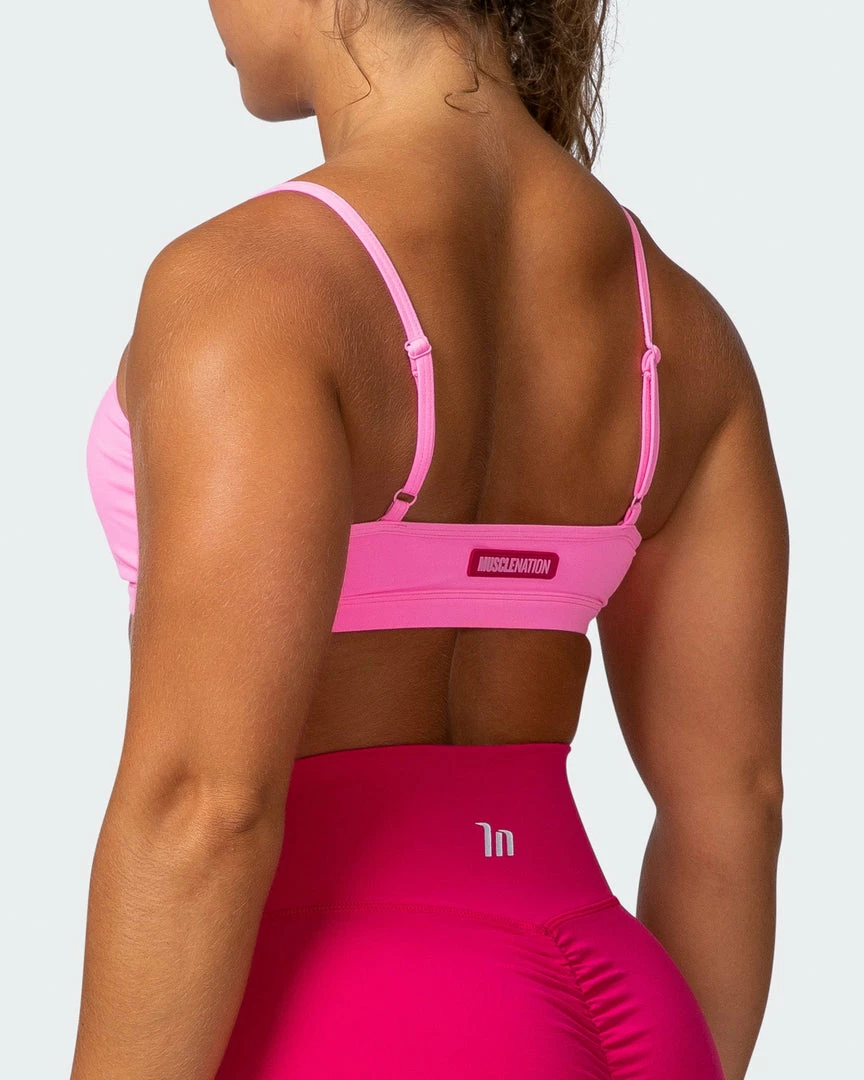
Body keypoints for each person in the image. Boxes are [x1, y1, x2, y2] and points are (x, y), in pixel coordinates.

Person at [74, 2, 788, 1079]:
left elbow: (203, 805)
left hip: (360, 1012)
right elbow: (735, 806)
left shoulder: (251, 286)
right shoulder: (681, 329)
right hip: (633, 1008)